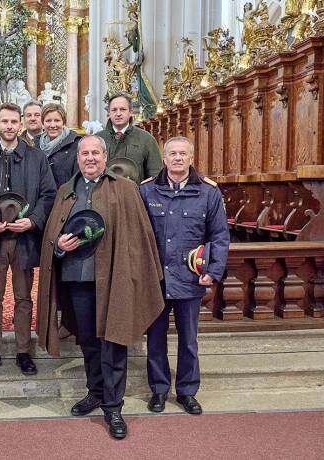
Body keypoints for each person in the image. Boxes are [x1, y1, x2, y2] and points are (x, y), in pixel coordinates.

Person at [37, 135, 164, 440]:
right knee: (89, 342)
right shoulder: (67, 190)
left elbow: (139, 236)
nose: (90, 158)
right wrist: (59, 247)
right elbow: (53, 235)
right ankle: (95, 392)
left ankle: (113, 406)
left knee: (114, 341)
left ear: (106, 157)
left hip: (113, 278)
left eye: (96, 153)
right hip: (77, 278)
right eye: (85, 153)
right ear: (77, 158)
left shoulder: (125, 189)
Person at [140, 136, 230, 416]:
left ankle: (187, 392)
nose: (177, 158)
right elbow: (136, 236)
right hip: (155, 278)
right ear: (164, 159)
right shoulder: (146, 190)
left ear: (191, 158)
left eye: (183, 154)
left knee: (188, 339)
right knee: (155, 338)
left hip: (190, 278)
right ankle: (158, 389)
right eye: (172, 154)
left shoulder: (208, 192)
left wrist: (213, 271)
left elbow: (219, 235)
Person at [0, 102, 56, 377]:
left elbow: (48, 194)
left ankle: (22, 350)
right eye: (4, 121)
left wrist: (33, 221)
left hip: (23, 239)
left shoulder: (36, 157)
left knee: (22, 297)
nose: (9, 126)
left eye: (13, 122)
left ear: (20, 124)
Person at [96, 92, 162, 182]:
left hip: (136, 194)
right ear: (109, 113)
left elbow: (156, 175)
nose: (118, 113)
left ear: (131, 112)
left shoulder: (146, 139)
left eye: (122, 109)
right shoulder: (97, 139)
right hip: (104, 193)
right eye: (114, 110)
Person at [38, 103, 81, 188]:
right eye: (48, 121)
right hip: (42, 199)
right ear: (43, 123)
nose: (53, 125)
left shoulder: (76, 144)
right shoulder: (35, 145)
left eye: (57, 120)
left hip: (65, 197)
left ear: (63, 122)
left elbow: (79, 179)